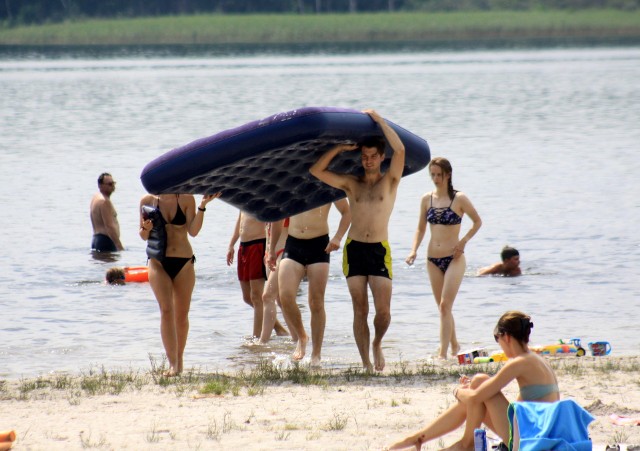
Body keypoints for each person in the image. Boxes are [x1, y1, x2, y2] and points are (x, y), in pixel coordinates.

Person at [310, 109, 404, 372]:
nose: (368, 160)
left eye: (373, 156)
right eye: (364, 156)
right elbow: (316, 170)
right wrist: (339, 148)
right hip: (354, 249)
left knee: (383, 312)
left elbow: (401, 151)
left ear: (381, 157)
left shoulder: (390, 181)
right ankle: (365, 363)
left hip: (378, 249)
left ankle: (377, 343)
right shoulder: (352, 183)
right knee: (359, 308)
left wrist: (381, 121)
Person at [387, 311, 560, 451]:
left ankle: (463, 444)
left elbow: (474, 398)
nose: (499, 344)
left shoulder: (519, 362)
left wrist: (458, 391)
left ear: (506, 337)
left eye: (497, 339)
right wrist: (473, 390)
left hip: (528, 441)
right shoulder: (536, 360)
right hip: (537, 433)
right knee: (478, 386)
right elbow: (485, 399)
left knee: (479, 382)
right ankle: (421, 438)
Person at [405, 157, 482, 360]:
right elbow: (421, 228)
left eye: (439, 175)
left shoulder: (460, 199)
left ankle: (442, 354)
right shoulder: (426, 199)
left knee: (444, 305)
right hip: (432, 259)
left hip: (454, 258)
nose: (436, 179)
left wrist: (463, 241)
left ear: (448, 174)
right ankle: (455, 346)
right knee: (443, 307)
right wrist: (413, 250)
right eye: (432, 175)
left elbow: (477, 222)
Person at [139, 192, 220, 376]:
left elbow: (193, 231)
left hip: (183, 262)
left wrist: (202, 206)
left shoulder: (185, 198)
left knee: (181, 315)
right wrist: (146, 228)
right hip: (158, 262)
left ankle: (179, 359)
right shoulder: (147, 201)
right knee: (166, 310)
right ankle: (172, 364)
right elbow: (143, 236)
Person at [276, 200, 351, 366]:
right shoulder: (292, 182)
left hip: (319, 245)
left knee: (316, 302)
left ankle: (316, 354)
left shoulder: (326, 183)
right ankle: (302, 336)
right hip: (293, 243)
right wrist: (270, 250)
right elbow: (275, 214)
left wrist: (338, 237)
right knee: (285, 296)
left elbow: (347, 211)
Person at [227, 211, 287, 338]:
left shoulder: (258, 192)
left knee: (256, 296)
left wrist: (270, 248)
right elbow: (240, 220)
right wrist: (231, 244)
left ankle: (257, 337)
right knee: (247, 297)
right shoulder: (242, 194)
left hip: (258, 243)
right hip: (244, 245)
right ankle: (278, 328)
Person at [259, 218, 293, 344]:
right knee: (281, 300)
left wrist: (271, 250)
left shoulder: (283, 200)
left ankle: (263, 342)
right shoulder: (270, 201)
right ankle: (297, 338)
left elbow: (278, 222)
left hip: (283, 251)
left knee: (268, 296)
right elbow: (269, 228)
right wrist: (267, 251)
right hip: (272, 252)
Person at [90, 173, 124, 252]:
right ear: (100, 186)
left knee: (100, 264)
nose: (112, 186)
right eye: (109, 184)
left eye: (113, 183)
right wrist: (119, 246)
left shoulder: (95, 198)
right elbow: (109, 226)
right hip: (106, 241)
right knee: (110, 264)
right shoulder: (104, 202)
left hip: (96, 240)